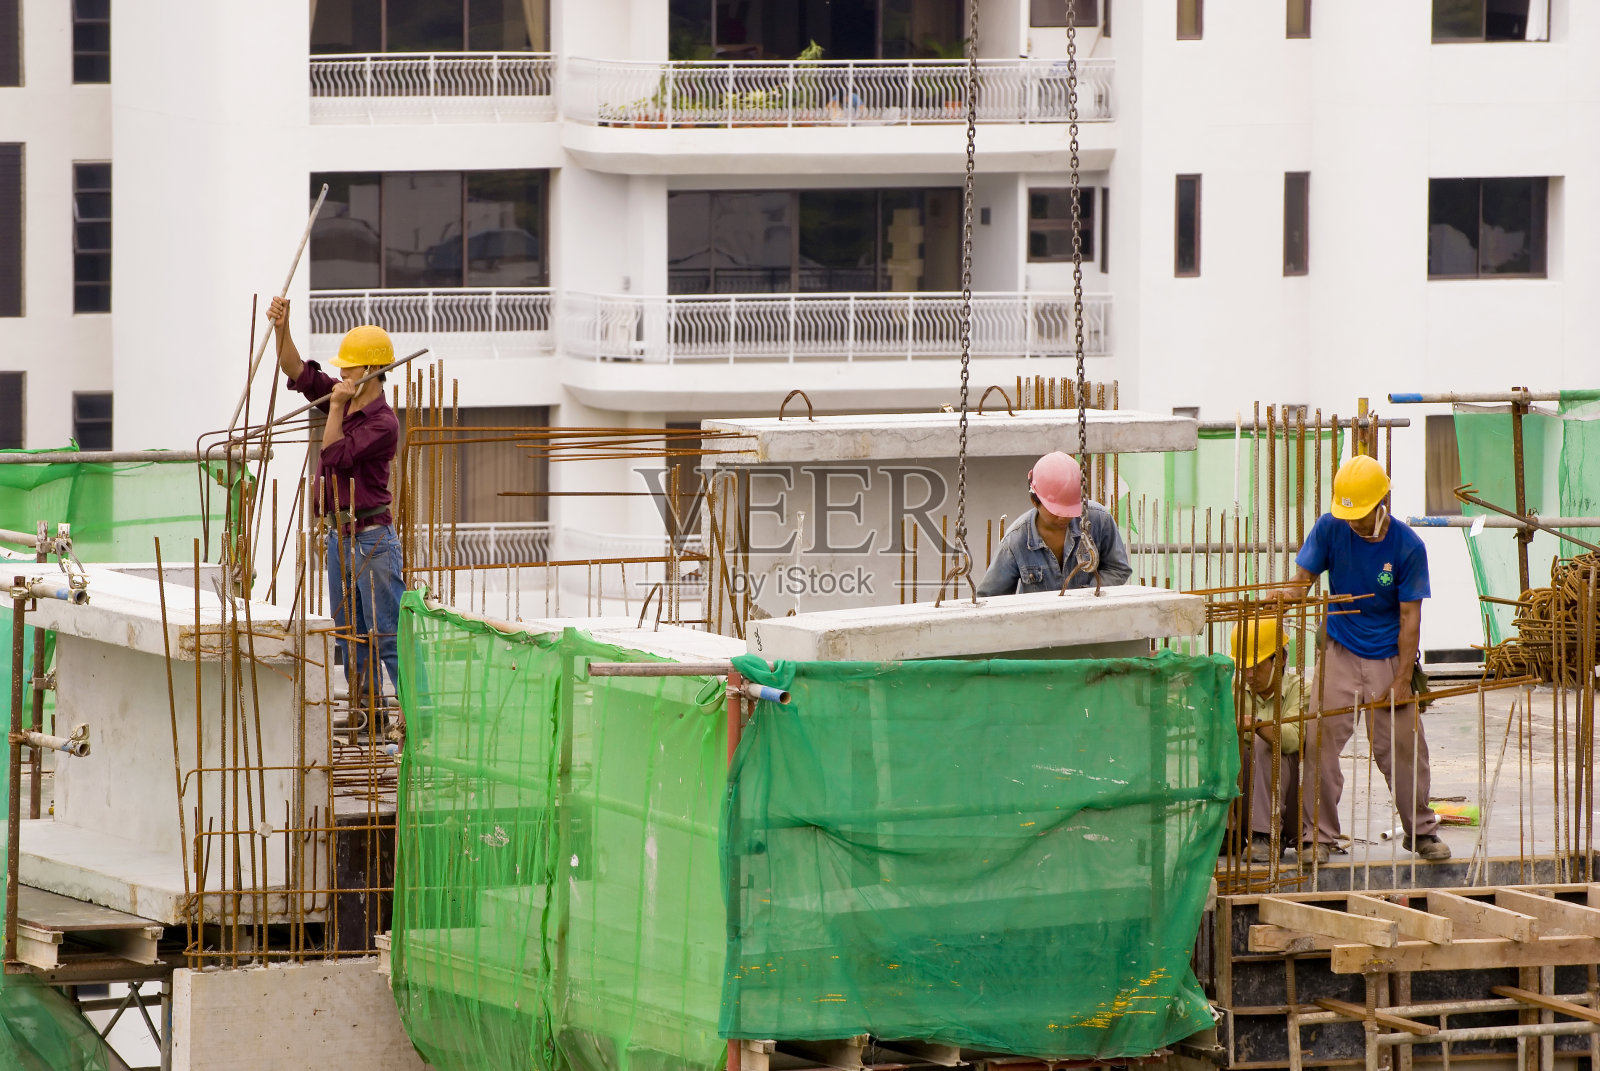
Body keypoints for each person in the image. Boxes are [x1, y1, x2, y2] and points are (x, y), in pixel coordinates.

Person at [1277, 454, 1449, 862]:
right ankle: (1317, 836)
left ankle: (1421, 831)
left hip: (1390, 654)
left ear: (1381, 503)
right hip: (1339, 647)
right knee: (1317, 739)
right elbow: (1301, 582)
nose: (1353, 523)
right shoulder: (1330, 527)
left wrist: (1403, 678)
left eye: (1361, 516)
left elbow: (1411, 619)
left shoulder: (1407, 547)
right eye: (1348, 515)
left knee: (1404, 747)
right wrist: (1282, 598)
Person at [265, 297, 404, 721]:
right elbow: (295, 369)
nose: (340, 374)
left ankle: (418, 716)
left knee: (387, 634)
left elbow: (333, 455)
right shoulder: (340, 398)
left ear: (371, 372)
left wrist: (338, 405)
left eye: (349, 368)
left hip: (371, 538)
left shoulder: (383, 423)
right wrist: (280, 329)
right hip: (337, 535)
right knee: (349, 635)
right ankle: (367, 713)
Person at [978, 451, 1132, 596]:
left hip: (1090, 621)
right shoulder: (1016, 541)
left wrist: (1086, 595)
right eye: (1057, 512)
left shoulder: (1099, 520)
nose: (1064, 517)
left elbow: (1118, 569)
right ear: (1034, 501)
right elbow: (991, 597)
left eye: (1071, 510)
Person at [1231, 616, 1306, 864]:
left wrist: (1255, 726)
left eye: (1257, 666)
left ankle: (1265, 835)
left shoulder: (1301, 688)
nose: (1249, 675)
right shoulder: (1236, 690)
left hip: (1293, 801)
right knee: (1228, 746)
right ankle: (1227, 831)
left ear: (1281, 659)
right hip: (1251, 798)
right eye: (1244, 668)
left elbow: (1292, 740)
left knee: (1266, 742)